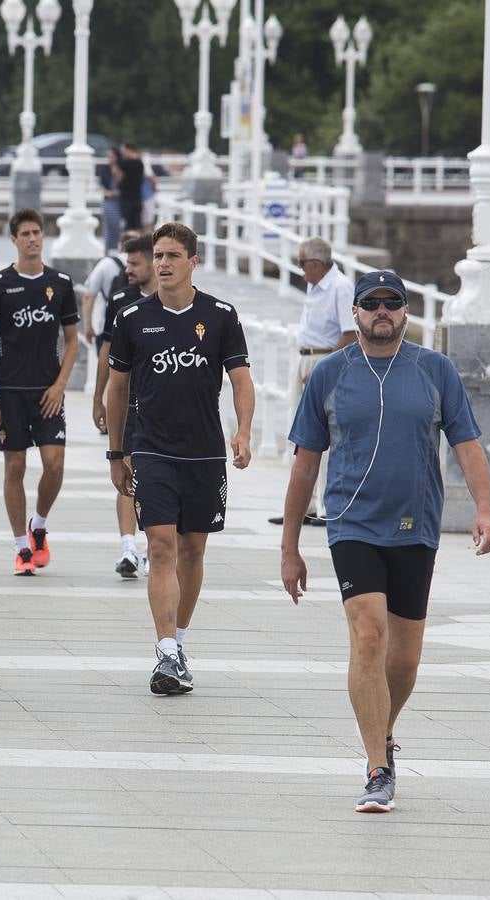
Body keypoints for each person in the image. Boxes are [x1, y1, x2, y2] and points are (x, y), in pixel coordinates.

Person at [280, 268, 490, 814]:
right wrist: (289, 548)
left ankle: (384, 731)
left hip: (415, 526)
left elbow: (468, 445)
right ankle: (377, 766)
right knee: (368, 637)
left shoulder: (435, 370)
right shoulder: (329, 375)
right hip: (352, 525)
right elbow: (305, 465)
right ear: (353, 313)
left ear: (406, 312)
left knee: (404, 658)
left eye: (392, 303)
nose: (382, 311)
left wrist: (486, 511)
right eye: (370, 303)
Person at [105, 222, 254, 695]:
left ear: (194, 260)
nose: (163, 263)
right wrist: (116, 451)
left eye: (173, 255)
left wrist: (243, 432)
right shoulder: (132, 318)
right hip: (151, 449)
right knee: (162, 546)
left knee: (193, 549)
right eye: (158, 255)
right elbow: (117, 387)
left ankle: (181, 641)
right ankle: (165, 650)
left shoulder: (221, 316)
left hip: (205, 452)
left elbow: (242, 381)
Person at [0, 208, 79, 575]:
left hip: (47, 390)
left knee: (54, 464)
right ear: (14, 240)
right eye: (25, 233)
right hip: (10, 390)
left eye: (37, 232)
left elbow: (71, 342)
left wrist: (59, 385)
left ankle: (38, 524)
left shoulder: (61, 283)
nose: (33, 238)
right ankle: (22, 548)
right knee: (16, 465)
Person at [269, 235, 358, 527]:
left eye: (302, 263)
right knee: (301, 433)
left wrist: (324, 368)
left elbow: (349, 336)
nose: (300, 269)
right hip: (305, 357)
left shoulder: (340, 288)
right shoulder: (315, 285)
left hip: (323, 360)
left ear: (317, 263)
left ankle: (323, 505)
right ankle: (302, 505)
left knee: (325, 434)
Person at [92, 235, 156, 579]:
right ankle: (128, 548)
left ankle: (151, 548)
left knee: (154, 479)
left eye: (134, 263)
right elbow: (107, 350)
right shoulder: (120, 301)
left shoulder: (169, 302)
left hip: (158, 405)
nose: (127, 269)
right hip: (127, 403)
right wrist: (98, 396)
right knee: (128, 473)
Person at [99, 147, 124, 253]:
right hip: (108, 200)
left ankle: (117, 246)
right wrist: (108, 192)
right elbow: (101, 184)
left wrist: (116, 172)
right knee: (108, 224)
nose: (109, 158)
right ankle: (108, 247)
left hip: (118, 201)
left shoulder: (121, 168)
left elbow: (122, 183)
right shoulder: (104, 168)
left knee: (117, 225)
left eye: (112, 156)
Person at [118, 143, 146, 231]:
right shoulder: (140, 163)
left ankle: (128, 243)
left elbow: (119, 177)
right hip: (137, 197)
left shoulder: (125, 163)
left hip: (126, 197)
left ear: (128, 149)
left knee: (127, 225)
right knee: (137, 225)